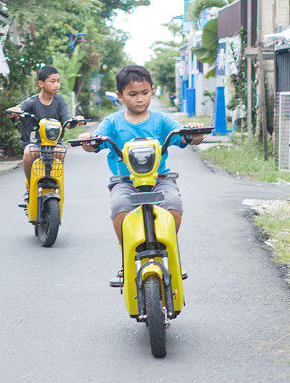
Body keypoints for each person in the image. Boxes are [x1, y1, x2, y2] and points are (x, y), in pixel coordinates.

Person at [78, 65, 206, 285]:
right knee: (119, 207)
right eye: (132, 94)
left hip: (159, 180)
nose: (139, 99)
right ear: (120, 96)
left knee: (174, 204)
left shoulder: (162, 120)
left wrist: (195, 132)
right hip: (126, 182)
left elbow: (186, 136)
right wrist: (87, 139)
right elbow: (94, 142)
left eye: (144, 93)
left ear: (152, 90)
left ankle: (170, 251)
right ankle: (127, 256)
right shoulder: (112, 122)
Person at [8, 65, 83, 201]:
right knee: (28, 153)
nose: (56, 84)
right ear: (41, 83)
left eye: (58, 81)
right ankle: (30, 187)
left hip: (54, 143)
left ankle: (53, 182)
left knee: (60, 152)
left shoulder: (60, 100)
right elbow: (19, 108)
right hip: (35, 143)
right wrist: (15, 111)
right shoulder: (32, 102)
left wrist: (75, 121)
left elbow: (67, 120)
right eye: (52, 81)